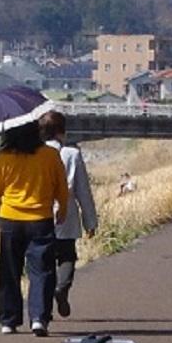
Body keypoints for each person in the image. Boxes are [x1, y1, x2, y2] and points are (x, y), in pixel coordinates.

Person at [0, 117, 68, 335]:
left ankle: (9, 320)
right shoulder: (50, 155)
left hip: (10, 219)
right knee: (42, 270)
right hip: (41, 219)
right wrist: (63, 211)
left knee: (9, 269)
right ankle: (39, 318)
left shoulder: (5, 156)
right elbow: (61, 187)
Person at [39, 108, 101, 321]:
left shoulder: (35, 154)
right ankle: (62, 287)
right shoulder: (72, 154)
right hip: (66, 214)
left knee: (43, 262)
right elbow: (83, 190)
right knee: (67, 256)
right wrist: (90, 220)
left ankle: (43, 310)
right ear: (61, 131)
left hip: (39, 213)